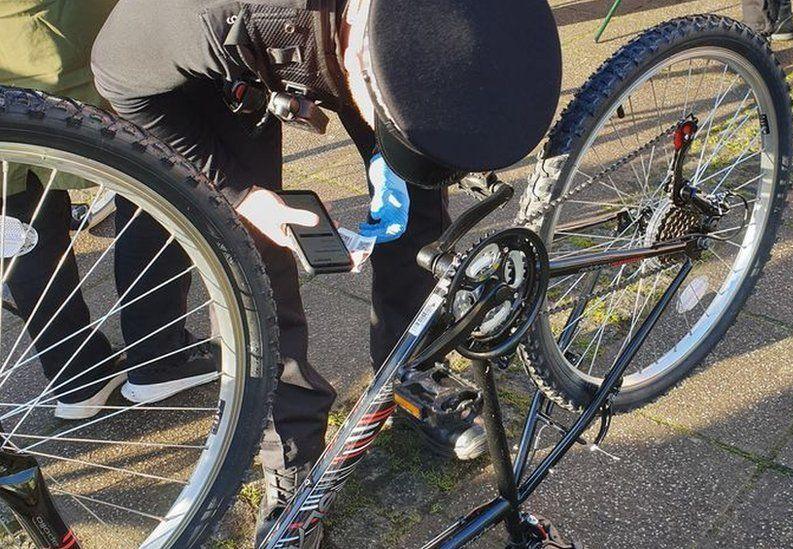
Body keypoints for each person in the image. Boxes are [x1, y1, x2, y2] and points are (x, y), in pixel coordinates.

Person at [92, 0, 561, 541]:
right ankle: (289, 453)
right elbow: (117, 76)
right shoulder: (206, 15)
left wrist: (402, 151)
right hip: (230, 63)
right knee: (254, 254)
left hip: (371, 38)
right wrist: (244, 195)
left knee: (419, 197)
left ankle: (409, 371)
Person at [0, 0, 215, 421]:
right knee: (151, 179)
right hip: (61, 40)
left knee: (16, 217)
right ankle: (159, 355)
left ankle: (76, 374)